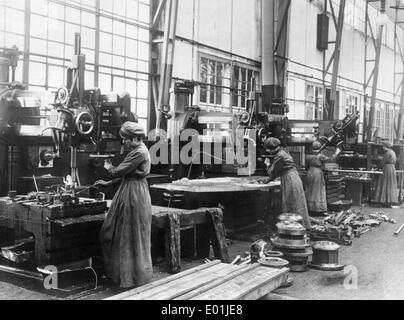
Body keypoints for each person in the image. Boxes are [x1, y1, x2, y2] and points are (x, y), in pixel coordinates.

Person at [95, 121, 153, 288]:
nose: (124, 143)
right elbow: (126, 174)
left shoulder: (139, 152)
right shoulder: (137, 150)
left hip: (134, 194)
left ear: (135, 137)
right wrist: (108, 183)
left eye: (126, 139)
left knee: (130, 234)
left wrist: (108, 167)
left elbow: (121, 171)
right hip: (129, 189)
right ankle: (122, 275)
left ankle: (132, 277)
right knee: (121, 232)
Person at [262, 138, 311, 229]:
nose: (268, 151)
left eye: (268, 149)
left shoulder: (279, 156)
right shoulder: (284, 152)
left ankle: (292, 228)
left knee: (291, 202)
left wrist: (267, 164)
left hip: (289, 179)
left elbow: (273, 172)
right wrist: (269, 179)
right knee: (297, 202)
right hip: (293, 177)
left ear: (272, 148)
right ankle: (300, 225)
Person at [305, 141, 329, 215]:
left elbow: (306, 167)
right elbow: (329, 159)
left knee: (310, 190)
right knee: (318, 190)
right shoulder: (320, 156)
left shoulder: (308, 156)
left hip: (310, 171)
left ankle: (310, 208)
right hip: (317, 172)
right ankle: (318, 209)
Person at [373, 141, 398, 207]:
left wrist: (377, 168)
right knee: (390, 184)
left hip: (387, 169)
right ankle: (389, 200)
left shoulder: (387, 153)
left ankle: (383, 200)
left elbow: (382, 163)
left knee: (384, 183)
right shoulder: (393, 152)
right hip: (392, 168)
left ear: (386, 147)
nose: (383, 148)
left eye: (383, 146)